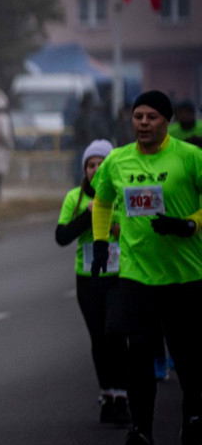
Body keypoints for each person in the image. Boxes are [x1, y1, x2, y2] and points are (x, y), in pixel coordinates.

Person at [89, 91, 202, 445]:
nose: (143, 123)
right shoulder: (118, 160)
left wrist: (189, 224)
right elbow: (102, 199)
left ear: (166, 121)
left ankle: (192, 414)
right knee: (138, 354)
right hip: (137, 274)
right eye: (138, 116)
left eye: (152, 116)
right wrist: (102, 242)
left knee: (186, 354)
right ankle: (142, 432)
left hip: (184, 272)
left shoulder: (189, 157)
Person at [55, 140, 130, 425]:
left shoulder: (122, 194)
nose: (96, 170)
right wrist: (88, 215)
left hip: (120, 276)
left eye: (101, 164)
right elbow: (61, 237)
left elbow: (138, 231)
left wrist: (109, 222)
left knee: (115, 332)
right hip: (88, 278)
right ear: (84, 169)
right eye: (90, 165)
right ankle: (108, 392)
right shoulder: (75, 197)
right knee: (98, 338)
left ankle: (123, 395)